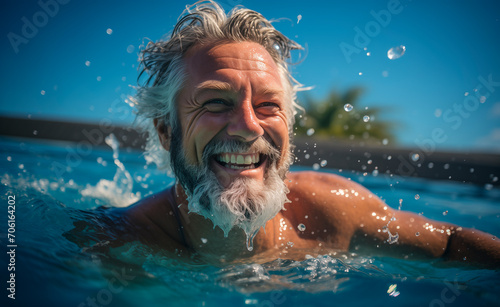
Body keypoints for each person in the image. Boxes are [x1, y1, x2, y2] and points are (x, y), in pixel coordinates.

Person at [121, 0, 500, 266]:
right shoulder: (121, 246)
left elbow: (451, 245)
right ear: (167, 131)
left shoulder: (332, 212)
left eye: (269, 105)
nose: (250, 126)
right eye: (216, 103)